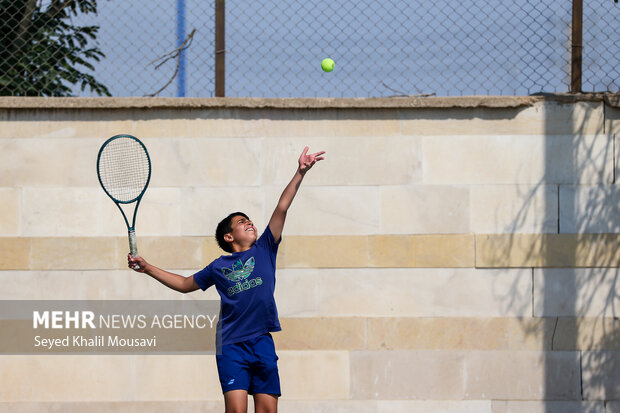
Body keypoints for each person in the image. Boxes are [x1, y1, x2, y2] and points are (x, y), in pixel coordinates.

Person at [128, 147, 325, 413]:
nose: (250, 223)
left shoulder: (266, 248)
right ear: (229, 237)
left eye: (250, 220)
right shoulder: (218, 267)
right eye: (243, 222)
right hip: (232, 345)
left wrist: (300, 172)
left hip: (262, 342)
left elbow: (282, 206)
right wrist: (148, 267)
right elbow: (186, 285)